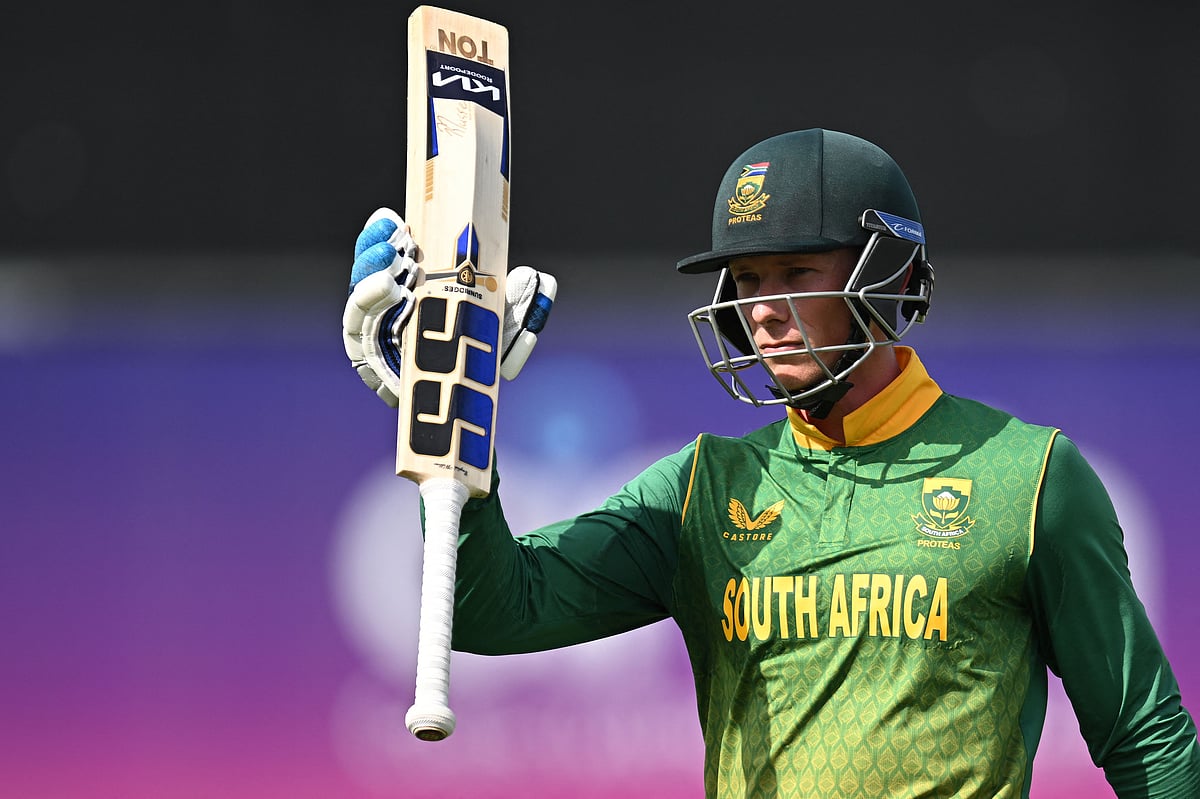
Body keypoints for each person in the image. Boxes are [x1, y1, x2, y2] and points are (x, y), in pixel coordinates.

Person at [342, 129, 1200, 798]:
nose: (765, 311)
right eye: (746, 281)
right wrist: (448, 412)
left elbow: (1143, 733)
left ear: (886, 274)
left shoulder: (1030, 478)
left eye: (795, 272)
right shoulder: (702, 491)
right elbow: (495, 610)